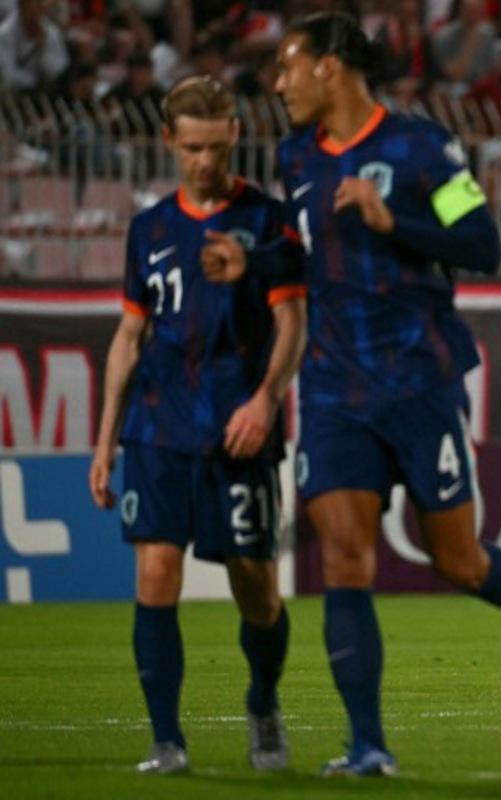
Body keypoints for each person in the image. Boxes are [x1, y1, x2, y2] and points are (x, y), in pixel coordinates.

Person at [201, 12, 501, 777]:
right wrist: (251, 257)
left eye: (289, 65)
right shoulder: (295, 155)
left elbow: (481, 244)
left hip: (419, 379)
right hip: (335, 387)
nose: (279, 83)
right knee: (345, 558)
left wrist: (393, 218)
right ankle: (368, 745)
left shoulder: (420, 148)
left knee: (459, 562)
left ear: (331, 67)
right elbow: (298, 249)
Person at [88, 76, 306, 774]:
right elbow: (128, 336)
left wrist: (266, 399)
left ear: (236, 137)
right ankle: (166, 740)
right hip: (158, 429)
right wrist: (103, 440)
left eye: (215, 147)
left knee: (256, 589)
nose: (204, 162)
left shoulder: (268, 222)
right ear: (168, 141)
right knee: (155, 575)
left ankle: (264, 703)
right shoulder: (148, 228)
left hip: (239, 429)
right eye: (191, 148)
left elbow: (292, 322)